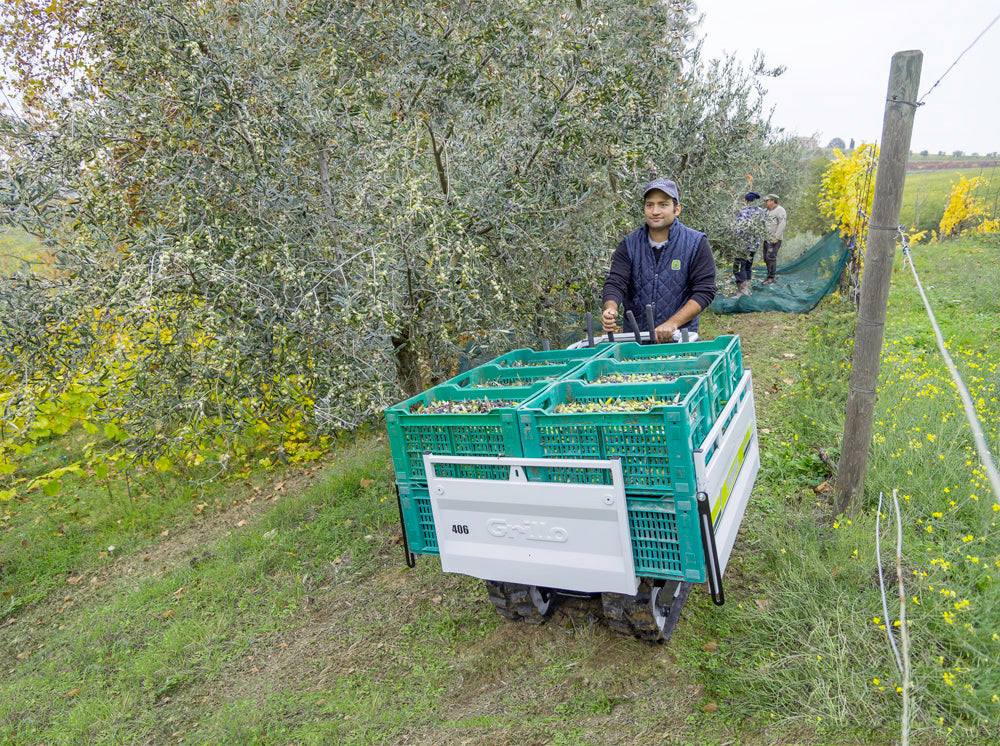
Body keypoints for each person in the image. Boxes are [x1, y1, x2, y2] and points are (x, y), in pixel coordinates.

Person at [601, 178, 717, 343]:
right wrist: (610, 309)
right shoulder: (629, 245)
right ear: (644, 209)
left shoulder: (696, 243)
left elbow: (705, 291)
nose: (655, 211)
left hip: (680, 341)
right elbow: (616, 282)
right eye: (650, 205)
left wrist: (672, 324)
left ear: (676, 209)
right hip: (636, 343)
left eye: (663, 204)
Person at [733, 191, 765, 297]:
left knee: (738, 267)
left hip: (744, 245)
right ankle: (747, 290)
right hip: (755, 245)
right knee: (748, 267)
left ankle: (743, 292)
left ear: (746, 201)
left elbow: (738, 229)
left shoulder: (744, 213)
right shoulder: (761, 212)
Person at [762, 193, 787, 285]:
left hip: (774, 239)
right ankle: (768, 276)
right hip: (767, 239)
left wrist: (776, 237)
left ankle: (771, 278)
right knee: (766, 258)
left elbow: (782, 223)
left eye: (767, 201)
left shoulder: (780, 210)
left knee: (771, 257)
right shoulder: (767, 211)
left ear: (773, 201)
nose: (766, 203)